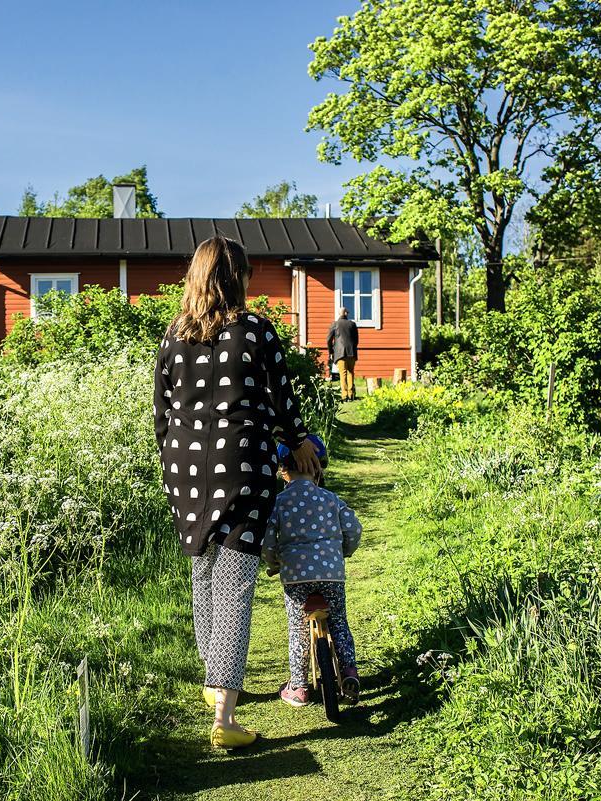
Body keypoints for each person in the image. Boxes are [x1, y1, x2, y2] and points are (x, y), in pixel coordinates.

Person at [154, 235, 322, 749]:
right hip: (240, 464)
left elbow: (161, 411)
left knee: (203, 572)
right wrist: (298, 443)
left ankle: (214, 681)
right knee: (234, 587)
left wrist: (172, 457)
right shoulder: (255, 331)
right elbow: (281, 398)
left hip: (183, 467)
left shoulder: (174, 334)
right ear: (237, 278)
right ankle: (224, 718)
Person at [262, 434, 362, 706]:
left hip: (295, 578)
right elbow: (353, 529)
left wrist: (273, 564)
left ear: (283, 471)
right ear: (319, 468)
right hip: (331, 574)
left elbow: (268, 541)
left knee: (297, 629)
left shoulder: (280, 503)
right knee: (339, 620)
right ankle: (350, 672)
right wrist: (344, 551)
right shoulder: (330, 499)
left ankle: (298, 687)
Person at [327, 307, 359, 401]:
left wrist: (331, 352)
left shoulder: (335, 324)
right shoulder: (352, 324)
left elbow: (328, 340)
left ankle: (344, 396)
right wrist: (353, 347)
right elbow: (356, 340)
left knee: (343, 373)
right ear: (345, 313)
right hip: (351, 352)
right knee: (350, 373)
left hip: (340, 353)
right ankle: (351, 395)